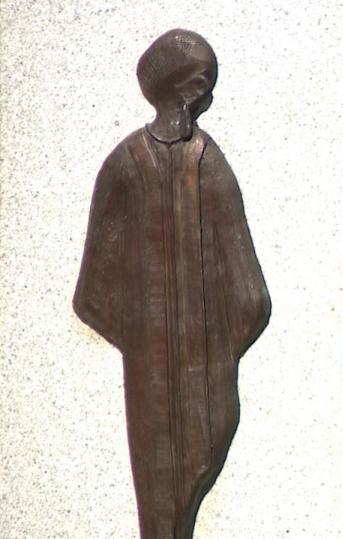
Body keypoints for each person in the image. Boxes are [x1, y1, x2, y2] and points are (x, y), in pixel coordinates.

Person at [74, 29, 270, 538]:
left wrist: (193, 348)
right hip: (159, 378)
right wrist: (153, 342)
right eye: (203, 84)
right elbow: (92, 295)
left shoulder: (205, 165)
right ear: (181, 90)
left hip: (189, 369)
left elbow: (251, 295)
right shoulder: (130, 166)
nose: (208, 98)